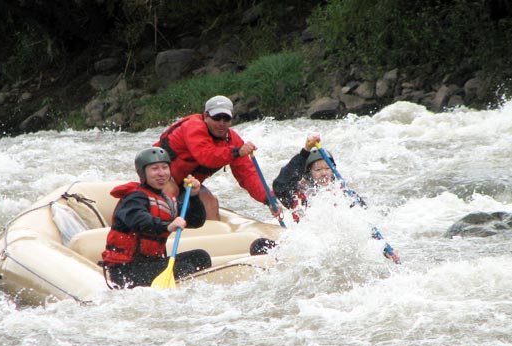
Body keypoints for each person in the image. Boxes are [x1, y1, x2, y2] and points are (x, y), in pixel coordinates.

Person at [272, 134, 400, 263]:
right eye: (318, 169)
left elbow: (364, 225)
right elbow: (280, 185)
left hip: (340, 249)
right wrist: (305, 151)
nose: (324, 173)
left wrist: (385, 250)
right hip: (310, 249)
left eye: (327, 168)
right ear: (308, 172)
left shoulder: (344, 195)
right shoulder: (298, 195)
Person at [154, 95, 282, 221]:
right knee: (171, 190)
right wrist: (237, 152)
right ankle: (161, 231)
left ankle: (209, 241)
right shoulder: (193, 127)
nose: (221, 123)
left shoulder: (233, 140)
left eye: (226, 118)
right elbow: (207, 156)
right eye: (216, 118)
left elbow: (248, 175)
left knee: (211, 203)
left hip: (187, 183)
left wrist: (269, 200)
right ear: (205, 116)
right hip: (158, 176)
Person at [100, 147, 212, 289]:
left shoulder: (167, 200)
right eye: (155, 168)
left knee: (200, 257)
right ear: (143, 173)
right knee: (184, 268)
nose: (161, 173)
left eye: (165, 167)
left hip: (152, 263)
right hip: (126, 269)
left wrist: (194, 197)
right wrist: (167, 226)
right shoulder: (133, 198)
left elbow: (196, 221)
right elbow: (140, 221)